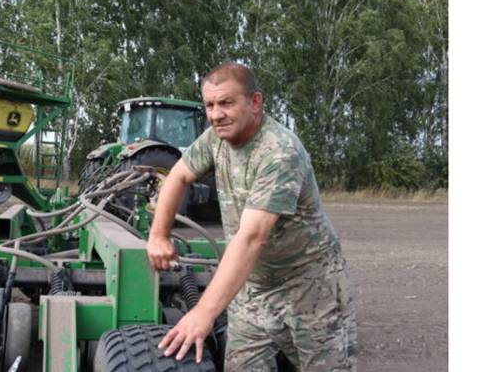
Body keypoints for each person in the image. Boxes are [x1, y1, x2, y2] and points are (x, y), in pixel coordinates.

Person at [147, 63, 357, 371]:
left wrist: (204, 312)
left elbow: (252, 237)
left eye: (227, 103)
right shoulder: (214, 139)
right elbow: (177, 176)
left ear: (255, 102)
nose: (216, 114)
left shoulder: (279, 152)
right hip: (253, 287)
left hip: (309, 287)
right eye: (210, 105)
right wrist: (158, 235)